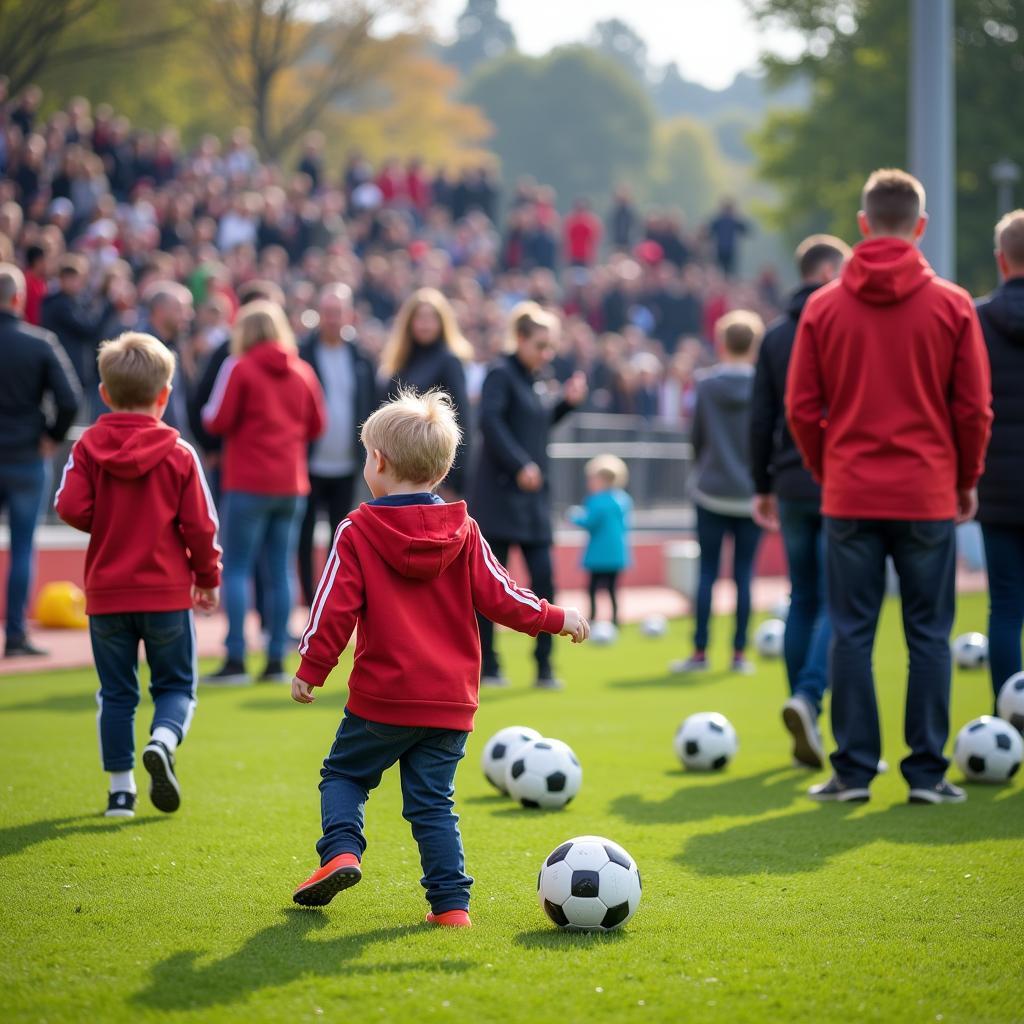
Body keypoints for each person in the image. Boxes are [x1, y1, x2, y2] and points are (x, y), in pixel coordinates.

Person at [290, 390, 589, 924]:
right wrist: (554, 616)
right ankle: (451, 908)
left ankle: (340, 851)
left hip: (382, 698)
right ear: (442, 466)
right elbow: (503, 597)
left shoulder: (357, 530)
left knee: (344, 776)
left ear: (377, 463)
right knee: (433, 806)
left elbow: (331, 607)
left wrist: (311, 669)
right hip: (451, 702)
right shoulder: (465, 530)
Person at [787, 168, 992, 805]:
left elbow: (802, 407)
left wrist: (828, 469)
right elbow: (973, 409)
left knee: (852, 631)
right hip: (927, 491)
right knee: (929, 635)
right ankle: (927, 774)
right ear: (920, 227)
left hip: (849, 491)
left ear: (864, 224)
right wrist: (966, 479)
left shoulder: (823, 306)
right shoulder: (953, 304)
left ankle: (852, 771)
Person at [53, 332, 221, 818]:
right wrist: (207, 579)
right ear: (164, 396)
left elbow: (68, 504)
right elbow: (201, 526)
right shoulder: (180, 452)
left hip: (106, 593)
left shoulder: (87, 446)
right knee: (176, 688)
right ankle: (163, 742)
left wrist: (105, 521)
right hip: (167, 594)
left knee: (116, 694)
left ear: (104, 394)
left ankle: (120, 791)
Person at [750, 234, 851, 768]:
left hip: (789, 481)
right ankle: (810, 698)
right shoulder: (846, 323)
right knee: (840, 600)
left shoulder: (774, 336)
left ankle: (801, 706)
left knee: (803, 598)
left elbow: (760, 417)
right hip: (840, 478)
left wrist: (761, 485)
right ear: (832, 270)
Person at [201, 301, 325, 685]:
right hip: (291, 484)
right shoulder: (302, 370)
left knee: (237, 568)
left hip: (247, 481)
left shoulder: (240, 368)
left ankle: (236, 656)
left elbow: (217, 419)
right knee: (281, 571)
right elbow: (318, 424)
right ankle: (275, 658)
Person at [470, 303, 588, 689]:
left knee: (544, 580)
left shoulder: (537, 379)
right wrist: (520, 464)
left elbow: (534, 425)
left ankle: (544, 666)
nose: (546, 354)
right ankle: (489, 666)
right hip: (500, 497)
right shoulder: (500, 374)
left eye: (550, 346)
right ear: (519, 339)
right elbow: (491, 422)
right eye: (540, 345)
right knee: (490, 586)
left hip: (533, 500)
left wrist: (566, 404)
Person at [676, 311, 764, 676]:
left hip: (710, 490)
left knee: (707, 573)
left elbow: (697, 436)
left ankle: (700, 652)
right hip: (752, 494)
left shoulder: (706, 384)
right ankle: (740, 653)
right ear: (755, 345)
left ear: (722, 343)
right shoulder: (764, 384)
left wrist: (704, 469)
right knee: (744, 574)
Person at [0, 264, 81, 656]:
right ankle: (15, 634)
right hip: (26, 455)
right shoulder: (39, 342)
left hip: (19, 453)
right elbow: (69, 399)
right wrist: (50, 436)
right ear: (18, 298)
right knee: (23, 547)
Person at [297, 284, 376, 607]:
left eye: (337, 312)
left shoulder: (361, 357)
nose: (332, 319)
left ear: (349, 315)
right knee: (302, 536)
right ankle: (309, 599)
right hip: (309, 461)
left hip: (347, 462)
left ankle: (332, 598)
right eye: (327, 312)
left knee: (340, 535)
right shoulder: (303, 352)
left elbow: (372, 404)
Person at [976, 209, 1024, 706]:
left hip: (995, 483)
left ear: (1000, 259)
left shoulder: (976, 318)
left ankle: (1008, 714)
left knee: (1006, 605)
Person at [382, 289, 472, 497]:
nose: (425, 324)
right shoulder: (399, 363)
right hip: (399, 470)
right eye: (420, 318)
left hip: (435, 472)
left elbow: (462, 421)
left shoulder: (449, 361)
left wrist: (454, 481)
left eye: (431, 318)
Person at [569, 455, 632, 627]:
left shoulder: (596, 500)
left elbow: (590, 522)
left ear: (602, 479)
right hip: (617, 553)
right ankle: (615, 620)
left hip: (598, 553)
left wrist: (574, 516)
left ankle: (593, 618)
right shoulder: (623, 499)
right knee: (612, 589)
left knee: (592, 588)